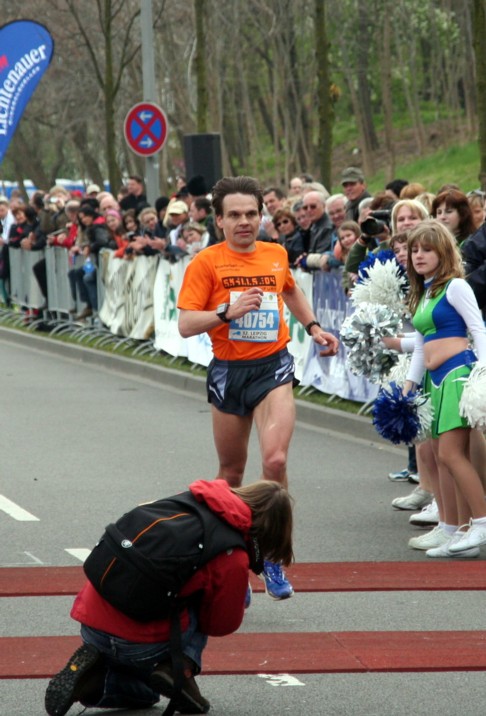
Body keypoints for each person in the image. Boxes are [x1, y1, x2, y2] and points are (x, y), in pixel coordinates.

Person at [177, 176, 339, 599]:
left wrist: (314, 327)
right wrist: (226, 312)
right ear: (219, 221)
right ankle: (229, 562)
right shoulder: (206, 263)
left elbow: (291, 289)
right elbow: (185, 323)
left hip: (273, 367)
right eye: (234, 215)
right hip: (229, 372)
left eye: (251, 213)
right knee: (230, 474)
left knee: (276, 459)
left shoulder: (275, 253)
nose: (244, 222)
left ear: (260, 216)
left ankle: (273, 557)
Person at [44, 478, 294, 716]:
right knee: (149, 693)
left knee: (177, 594)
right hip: (139, 643)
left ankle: (97, 668)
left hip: (90, 619)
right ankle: (130, 680)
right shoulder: (231, 552)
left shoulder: (182, 501)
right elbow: (221, 624)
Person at [404, 220, 486, 556]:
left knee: (452, 454)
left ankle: (480, 524)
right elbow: (422, 346)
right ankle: (453, 528)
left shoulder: (455, 286)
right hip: (434, 382)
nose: (419, 255)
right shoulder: (426, 292)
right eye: (414, 250)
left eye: (427, 249)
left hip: (457, 376)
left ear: (443, 252)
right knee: (441, 455)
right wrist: (408, 386)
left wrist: (482, 373)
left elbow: (478, 329)